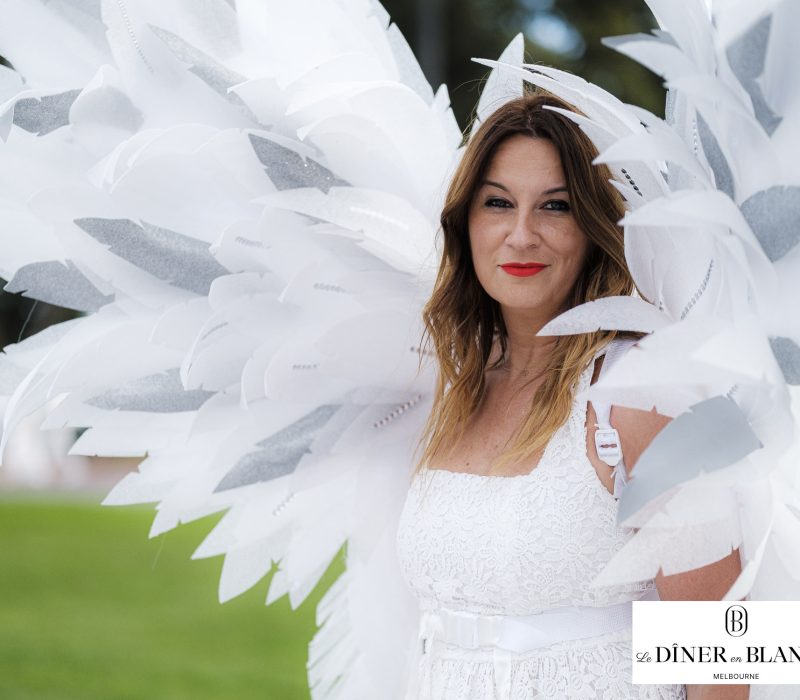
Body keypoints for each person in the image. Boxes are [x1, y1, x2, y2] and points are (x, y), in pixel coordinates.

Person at [396, 92, 747, 699]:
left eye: (554, 207)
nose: (522, 235)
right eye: (498, 203)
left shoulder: (640, 392)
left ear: (591, 226)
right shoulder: (460, 389)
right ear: (465, 225)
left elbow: (727, 656)